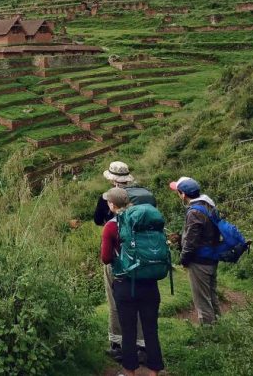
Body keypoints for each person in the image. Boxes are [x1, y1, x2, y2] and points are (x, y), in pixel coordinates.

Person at [100, 187, 165, 376]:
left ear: (112, 205)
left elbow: (105, 258)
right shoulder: (145, 220)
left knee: (128, 332)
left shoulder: (111, 226)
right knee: (151, 329)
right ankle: (154, 372)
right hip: (150, 284)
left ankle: (130, 373)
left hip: (125, 284)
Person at [95, 161, 155, 360]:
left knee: (115, 302)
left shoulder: (107, 199)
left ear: (112, 179)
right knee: (140, 303)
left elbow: (97, 220)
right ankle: (144, 346)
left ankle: (118, 344)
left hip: (118, 262)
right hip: (143, 260)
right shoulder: (142, 197)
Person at [170, 176, 221, 325]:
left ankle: (208, 332)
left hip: (199, 261)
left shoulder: (194, 212)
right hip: (212, 257)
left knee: (202, 299)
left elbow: (191, 241)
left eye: (178, 192)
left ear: (183, 194)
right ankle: (220, 326)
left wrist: (183, 259)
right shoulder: (209, 206)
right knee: (211, 295)